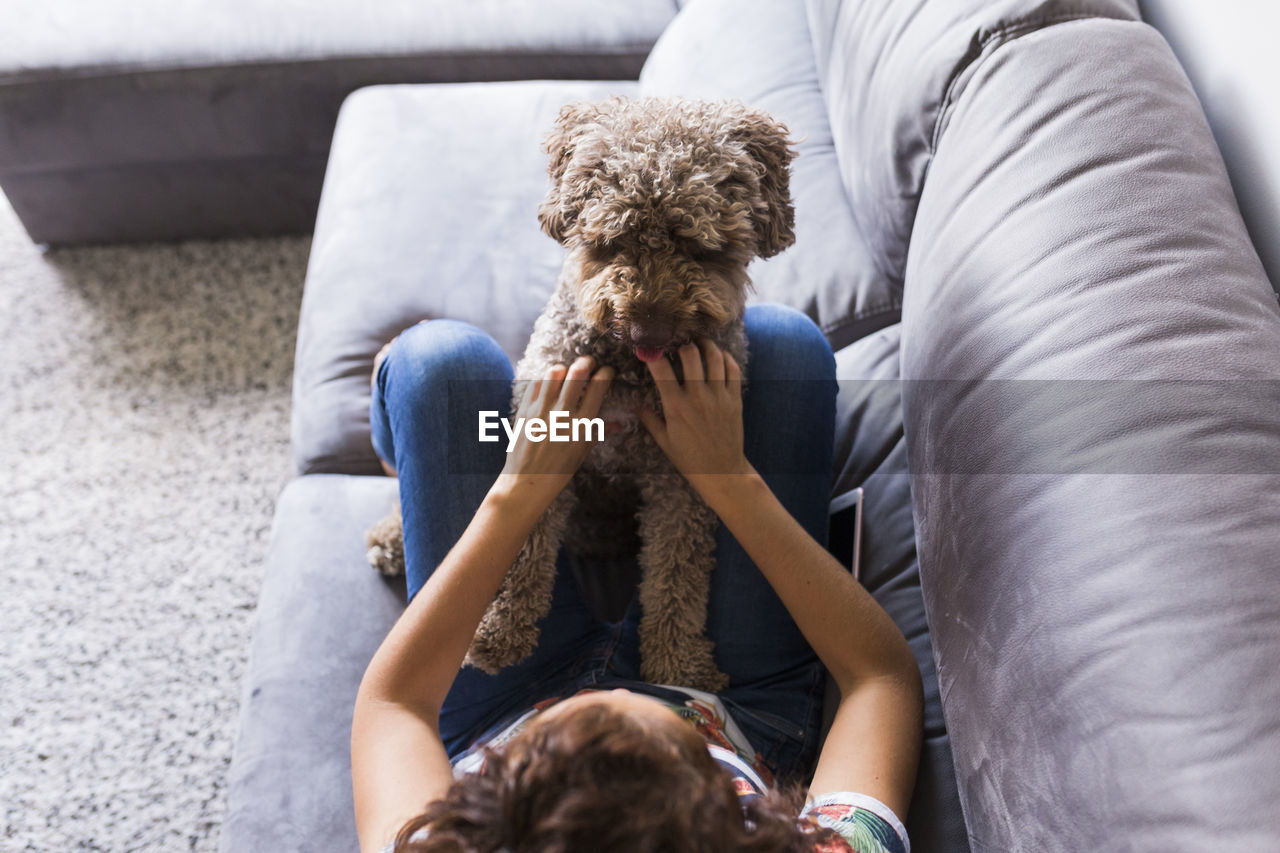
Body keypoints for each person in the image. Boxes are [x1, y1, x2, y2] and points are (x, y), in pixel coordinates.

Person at [352, 304, 924, 853]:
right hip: (739, 707)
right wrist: (728, 480)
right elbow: (881, 677)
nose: (613, 693)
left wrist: (520, 489)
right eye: (652, 730)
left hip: (498, 708)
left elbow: (396, 703)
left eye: (555, 739)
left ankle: (394, 448)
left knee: (438, 361)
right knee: (783, 345)